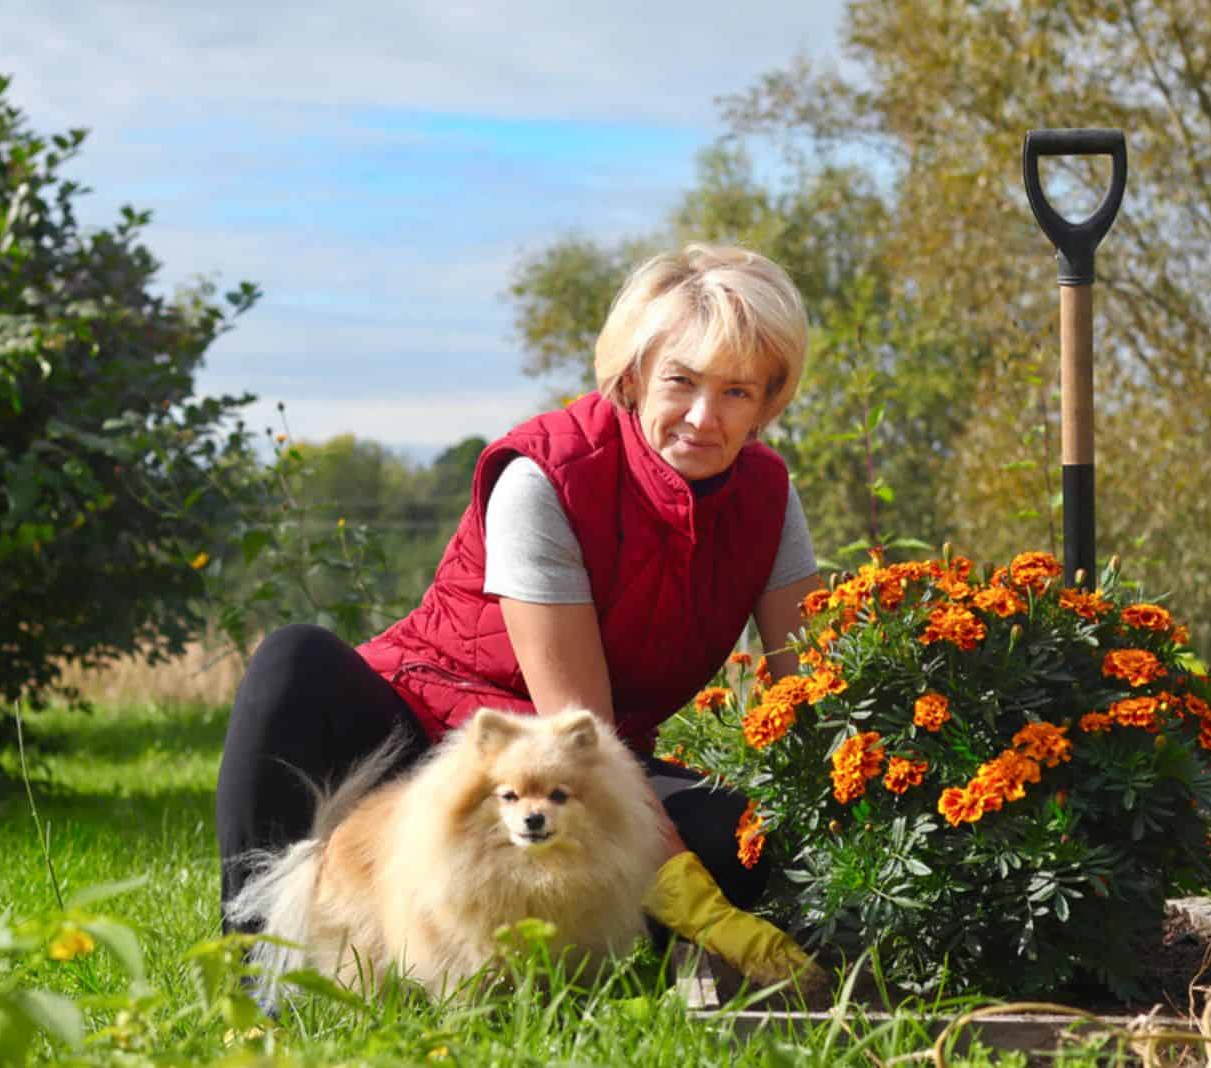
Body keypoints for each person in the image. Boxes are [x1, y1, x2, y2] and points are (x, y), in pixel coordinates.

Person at [216, 243, 825, 987]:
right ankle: (250, 971)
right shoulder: (543, 478)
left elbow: (816, 698)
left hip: (559, 766)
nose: (704, 417)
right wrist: (698, 906)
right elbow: (584, 738)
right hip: (423, 729)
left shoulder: (767, 495)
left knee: (748, 847)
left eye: (737, 392)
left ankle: (587, 969)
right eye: (681, 380)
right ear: (633, 375)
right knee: (294, 660)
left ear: (769, 400)